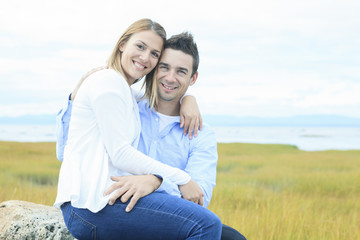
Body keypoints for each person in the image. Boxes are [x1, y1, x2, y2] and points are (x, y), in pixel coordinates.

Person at [57, 30, 246, 239]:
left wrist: (155, 182)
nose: (170, 78)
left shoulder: (201, 134)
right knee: (209, 226)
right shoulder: (130, 107)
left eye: (181, 71)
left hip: (160, 216)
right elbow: (66, 152)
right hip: (117, 208)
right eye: (164, 67)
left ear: (193, 78)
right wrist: (77, 96)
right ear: (154, 68)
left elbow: (198, 196)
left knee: (231, 237)